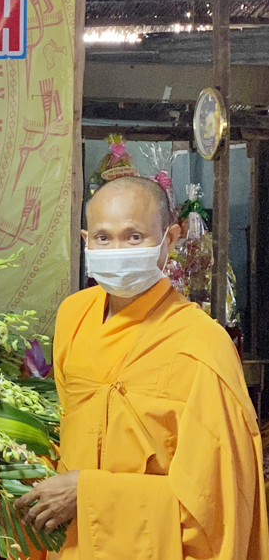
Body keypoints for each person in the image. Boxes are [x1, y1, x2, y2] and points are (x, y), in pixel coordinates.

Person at [16, 176, 269, 559]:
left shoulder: (202, 346)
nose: (117, 250)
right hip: (70, 542)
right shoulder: (74, 316)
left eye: (134, 237)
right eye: (103, 238)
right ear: (86, 240)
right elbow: (66, 433)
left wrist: (90, 494)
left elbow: (214, 506)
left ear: (170, 239)